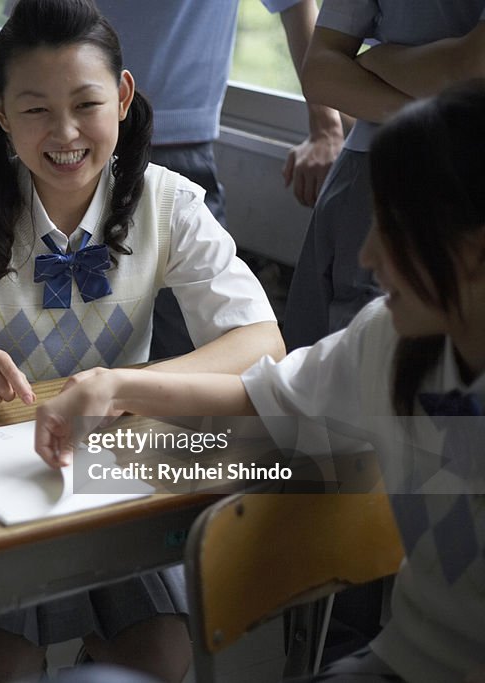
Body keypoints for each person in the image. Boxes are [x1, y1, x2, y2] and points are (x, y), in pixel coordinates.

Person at [35, 79, 485, 683]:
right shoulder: (391, 339)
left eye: (396, 229)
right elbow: (259, 401)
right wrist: (115, 387)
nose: (368, 256)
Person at [0, 1, 285, 680]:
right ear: (1, 112)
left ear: (123, 97)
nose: (65, 132)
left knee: (163, 656)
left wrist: (130, 386)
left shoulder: (169, 202)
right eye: (36, 108)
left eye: (86, 103)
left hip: (110, 475)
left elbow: (262, 340)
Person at [0, 0, 345, 360]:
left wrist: (327, 125)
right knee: (38, 334)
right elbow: (26, 39)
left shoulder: (177, 200)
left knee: (189, 346)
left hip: (179, 145)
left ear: (123, 94)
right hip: (43, 150)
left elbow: (253, 342)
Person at [282, 0, 485, 350]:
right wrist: (431, 116)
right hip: (362, 178)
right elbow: (319, 73)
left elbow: (469, 68)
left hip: (455, 184)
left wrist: (377, 59)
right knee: (321, 362)